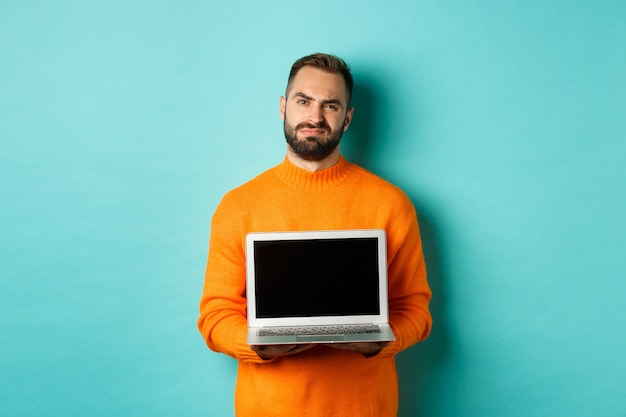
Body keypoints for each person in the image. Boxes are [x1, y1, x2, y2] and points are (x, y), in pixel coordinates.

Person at [197, 52, 432, 417]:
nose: (315, 117)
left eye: (331, 105)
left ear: (348, 117)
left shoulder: (391, 204)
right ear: (283, 107)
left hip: (365, 408)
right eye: (303, 101)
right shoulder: (238, 205)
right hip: (268, 408)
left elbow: (415, 310)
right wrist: (257, 345)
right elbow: (215, 314)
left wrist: (378, 342)